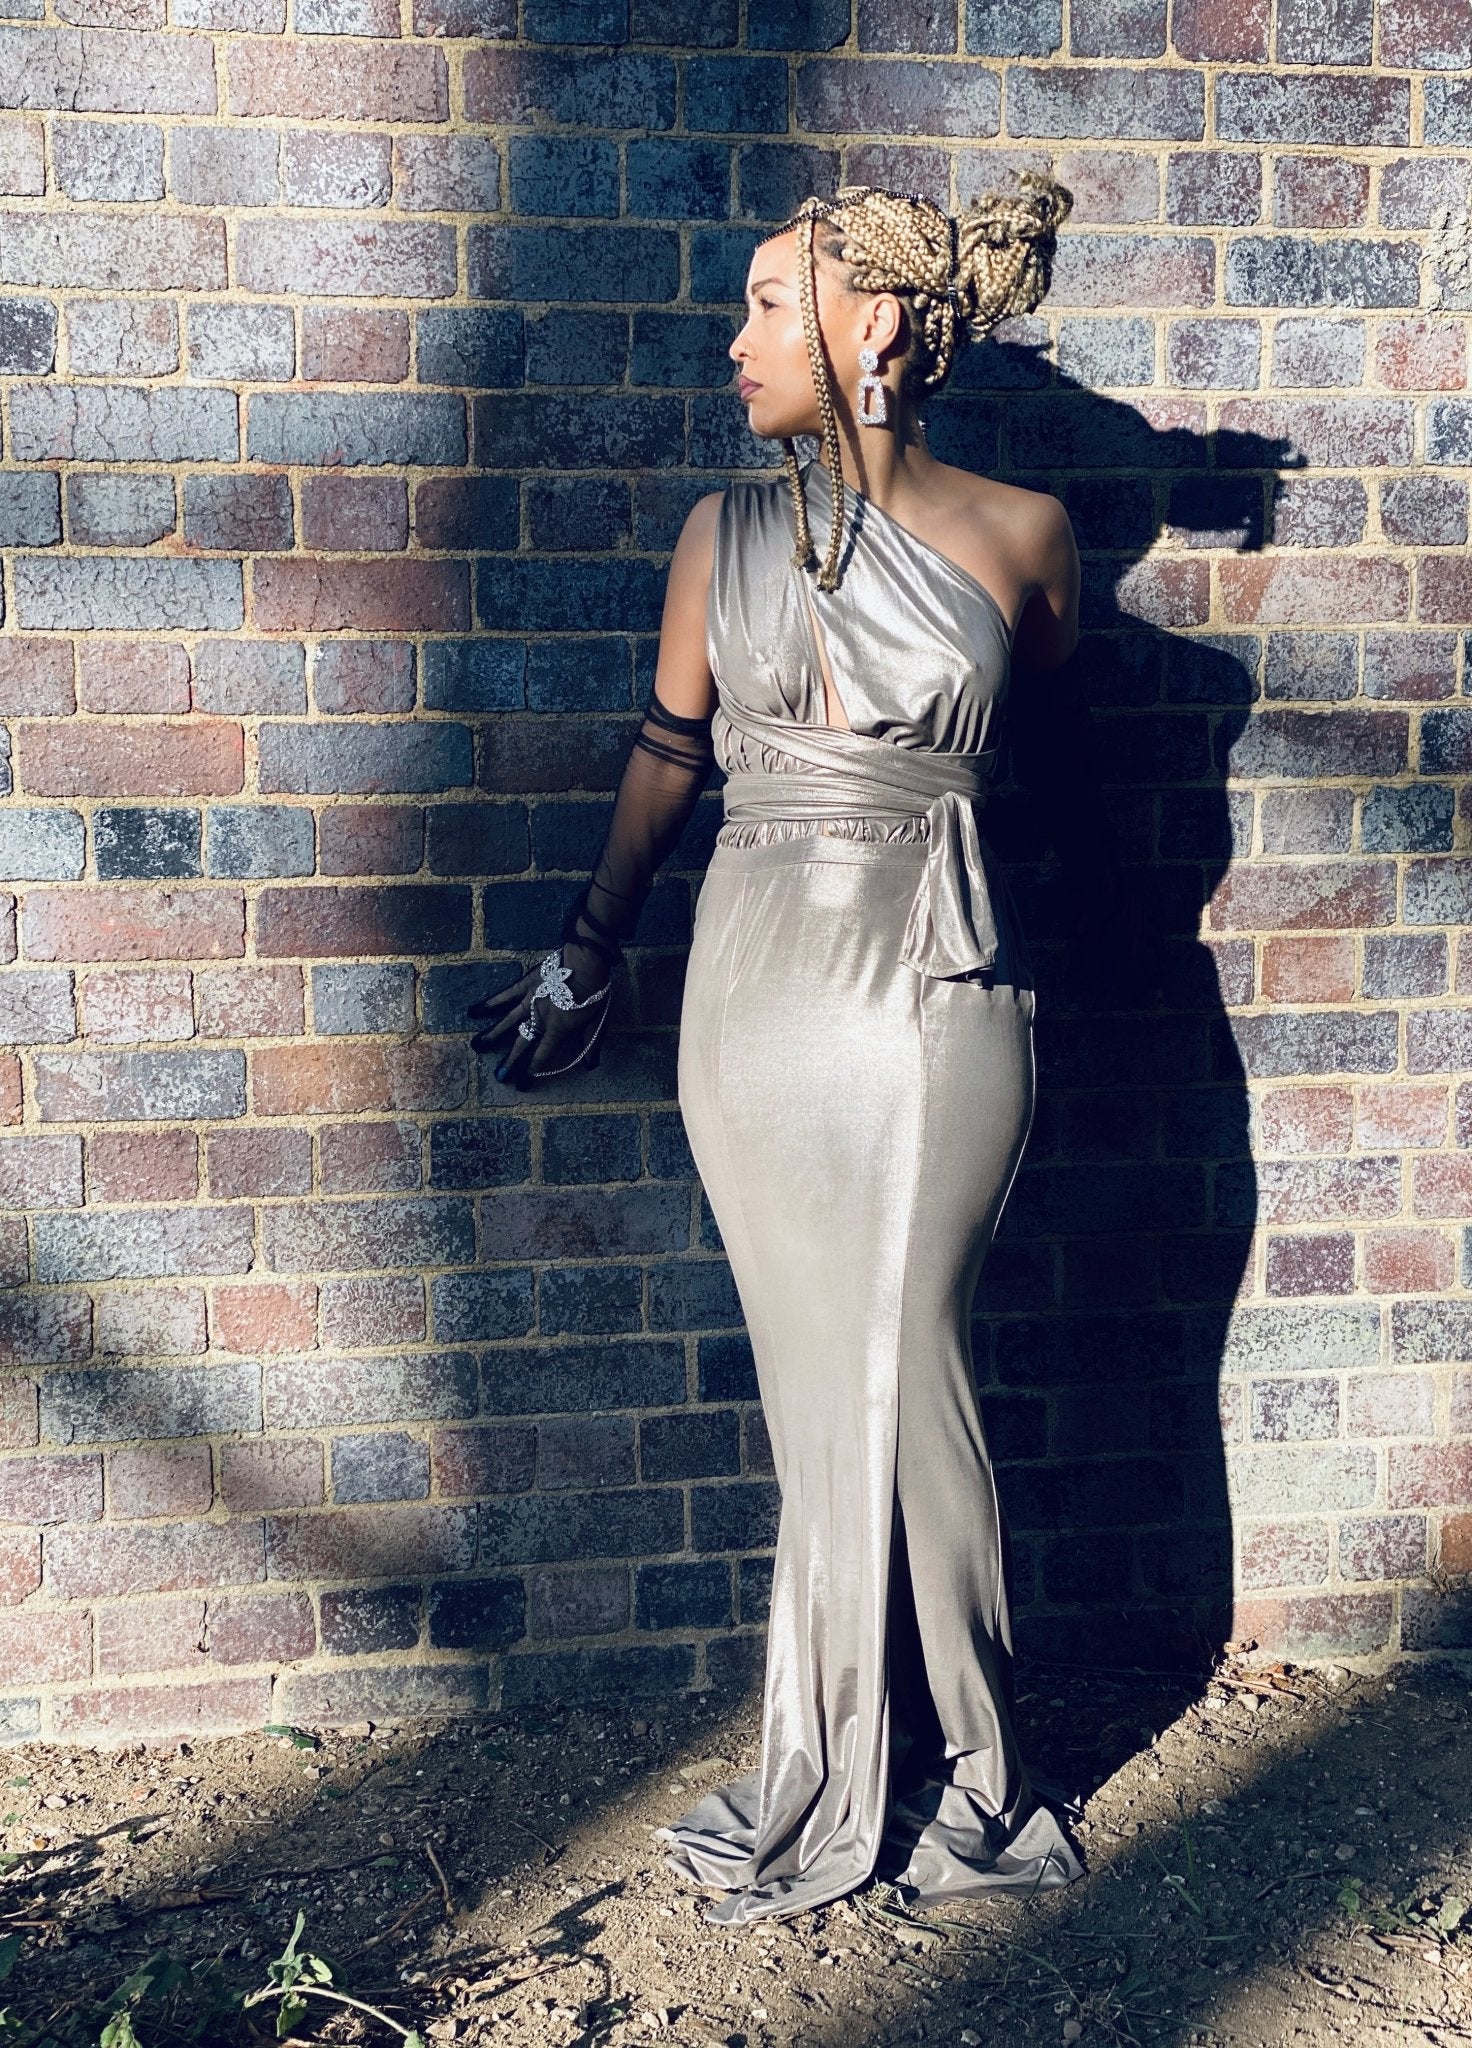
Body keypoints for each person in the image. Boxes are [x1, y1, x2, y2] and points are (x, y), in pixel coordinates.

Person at [469, 174, 1097, 1925]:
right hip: (752, 989)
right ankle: (836, 1750)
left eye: (765, 304)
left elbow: (1051, 766)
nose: (732, 339)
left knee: (912, 1355)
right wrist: (587, 950)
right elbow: (670, 757)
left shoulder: (1028, 535)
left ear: (872, 325)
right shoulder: (717, 535)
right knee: (814, 1377)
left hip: (937, 975)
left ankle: (969, 1759)